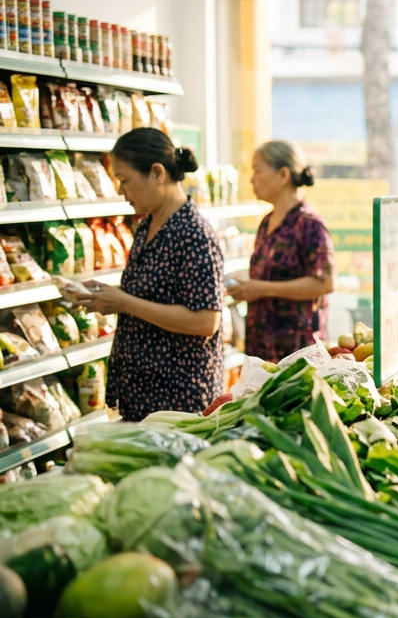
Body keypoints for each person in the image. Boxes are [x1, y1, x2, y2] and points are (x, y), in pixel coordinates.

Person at [75, 129, 224, 422]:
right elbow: (150, 295)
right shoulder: (147, 226)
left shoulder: (193, 234)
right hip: (142, 398)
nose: (121, 190)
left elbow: (207, 321)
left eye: (125, 180)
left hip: (178, 402)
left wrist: (124, 303)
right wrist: (108, 296)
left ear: (157, 173)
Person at [230, 141, 335, 362]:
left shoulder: (309, 225)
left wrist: (262, 289)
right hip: (262, 348)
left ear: (283, 175)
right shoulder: (267, 222)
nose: (252, 179)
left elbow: (325, 282)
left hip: (296, 353)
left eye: (257, 170)